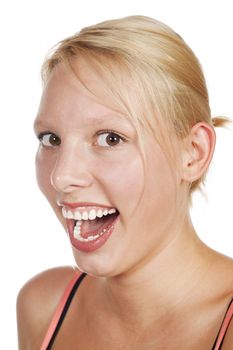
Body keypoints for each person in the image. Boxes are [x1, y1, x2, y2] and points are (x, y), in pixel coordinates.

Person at [17, 15, 233, 349]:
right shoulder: (42, 307)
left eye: (110, 139)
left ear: (192, 153)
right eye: (51, 139)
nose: (61, 176)